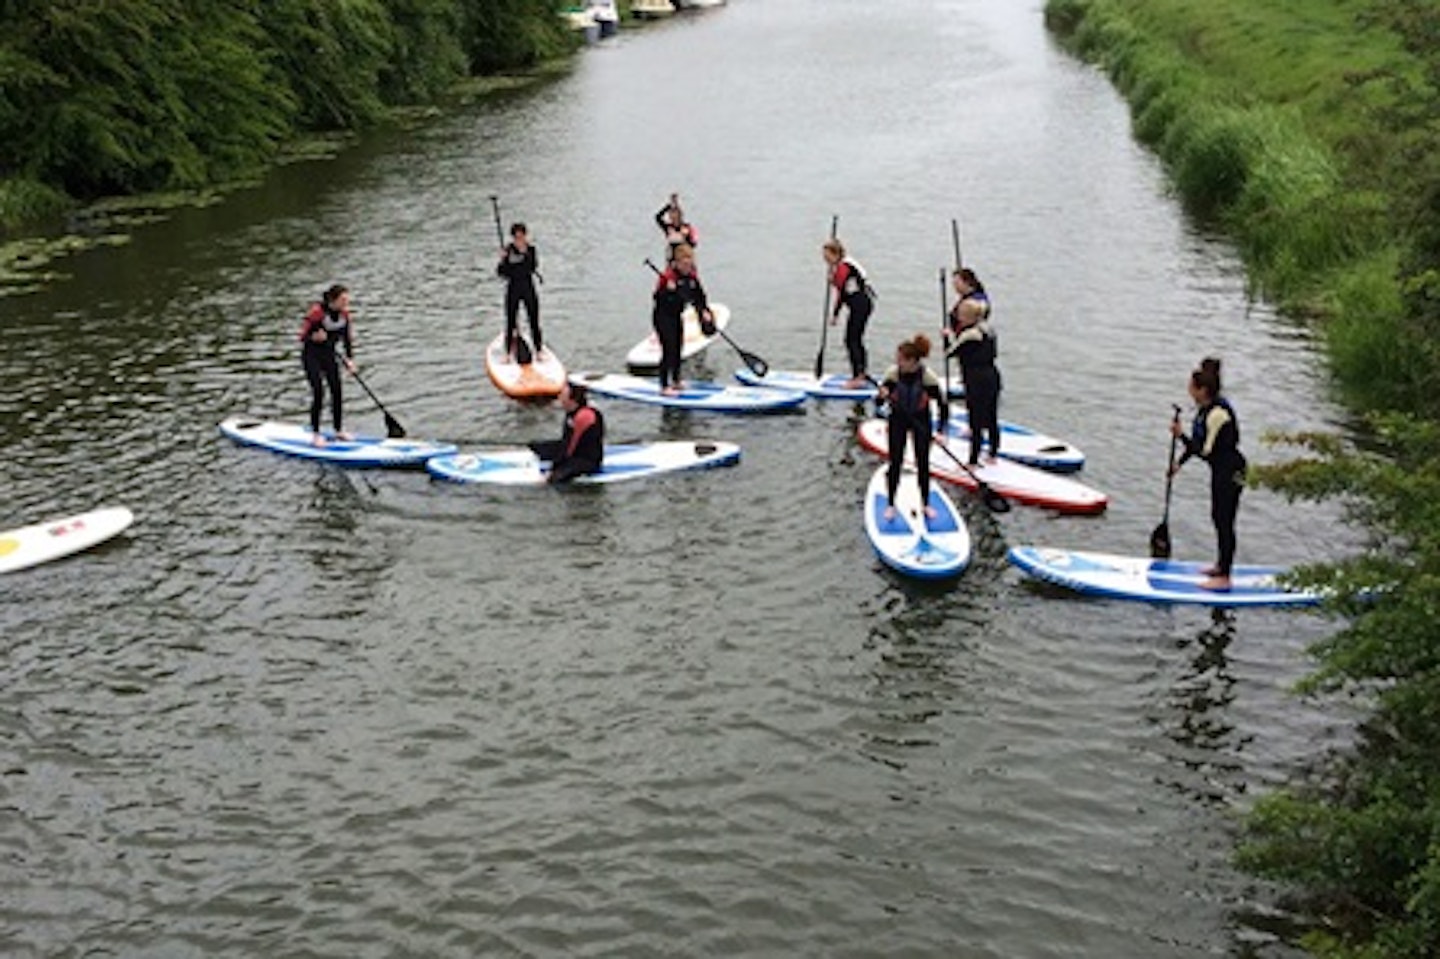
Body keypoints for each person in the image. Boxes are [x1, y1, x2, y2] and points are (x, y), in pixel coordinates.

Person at [1170, 357, 1247, 591]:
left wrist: (1181, 436)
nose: (1189, 391)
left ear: (1202, 390)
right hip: (1220, 469)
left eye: (1191, 387)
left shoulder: (1218, 414)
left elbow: (1205, 451)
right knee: (1217, 516)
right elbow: (1198, 444)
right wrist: (1178, 464)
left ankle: (1224, 576)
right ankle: (1220, 566)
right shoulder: (1205, 410)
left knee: (1225, 520)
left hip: (1232, 470)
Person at [874, 334, 949, 521]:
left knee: (922, 463)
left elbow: (943, 405)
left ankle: (926, 504)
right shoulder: (892, 374)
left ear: (913, 361)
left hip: (921, 421)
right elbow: (878, 403)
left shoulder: (927, 378)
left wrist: (940, 431)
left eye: (901, 360)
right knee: (896, 461)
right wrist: (882, 396)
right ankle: (891, 503)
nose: (897, 363)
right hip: (898, 420)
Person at [945, 291, 1001, 464]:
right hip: (993, 375)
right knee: (991, 416)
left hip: (976, 380)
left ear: (967, 316)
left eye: (960, 315)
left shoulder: (969, 334)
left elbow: (950, 353)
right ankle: (992, 453)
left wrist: (947, 338)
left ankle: (973, 460)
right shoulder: (988, 329)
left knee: (975, 419)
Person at [297, 283, 356, 446]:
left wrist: (350, 360)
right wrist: (313, 337)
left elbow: (347, 339)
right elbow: (302, 336)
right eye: (343, 300)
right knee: (319, 392)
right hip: (311, 356)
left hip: (329, 355)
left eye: (347, 300)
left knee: (337, 391)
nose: (346, 303)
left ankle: (339, 430)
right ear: (333, 300)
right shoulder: (317, 313)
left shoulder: (345, 315)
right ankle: (315, 434)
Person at [651, 243, 713, 396]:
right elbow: (657, 298)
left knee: (679, 347)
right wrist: (667, 291)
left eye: (689, 263)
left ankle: (676, 381)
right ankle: (664, 386)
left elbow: (699, 297)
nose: (687, 267)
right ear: (677, 263)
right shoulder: (668, 277)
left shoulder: (692, 277)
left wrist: (704, 311)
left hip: (677, 316)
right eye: (684, 264)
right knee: (669, 349)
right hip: (662, 316)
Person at [822, 238, 876, 389]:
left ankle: (858, 377)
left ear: (835, 254)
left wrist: (835, 314)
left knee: (852, 340)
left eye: (827, 256)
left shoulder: (844, 266)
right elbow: (843, 289)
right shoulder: (842, 266)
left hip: (861, 304)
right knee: (855, 339)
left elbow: (842, 292)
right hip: (861, 305)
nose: (825, 260)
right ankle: (860, 373)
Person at [529, 382, 605, 483]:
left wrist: (552, 469)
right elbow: (566, 440)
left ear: (572, 400)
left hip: (585, 459)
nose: (559, 398)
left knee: (555, 479)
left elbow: (570, 449)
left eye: (562, 396)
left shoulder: (583, 416)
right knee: (535, 445)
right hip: (571, 448)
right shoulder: (570, 411)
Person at [496, 222, 542, 361]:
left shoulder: (531, 250)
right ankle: (507, 353)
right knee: (510, 320)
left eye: (522, 237)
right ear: (513, 237)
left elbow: (533, 266)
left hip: (528, 286)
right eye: (517, 237)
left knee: (533, 319)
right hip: (513, 287)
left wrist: (524, 253)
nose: (519, 240)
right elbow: (501, 273)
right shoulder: (508, 250)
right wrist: (502, 260)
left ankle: (538, 350)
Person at [655, 192, 698, 264]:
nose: (673, 217)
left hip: (684, 260)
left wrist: (686, 237)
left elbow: (693, 244)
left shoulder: (686, 227)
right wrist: (669, 205)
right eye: (671, 215)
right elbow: (657, 217)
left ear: (680, 215)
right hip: (672, 261)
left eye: (675, 214)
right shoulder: (668, 228)